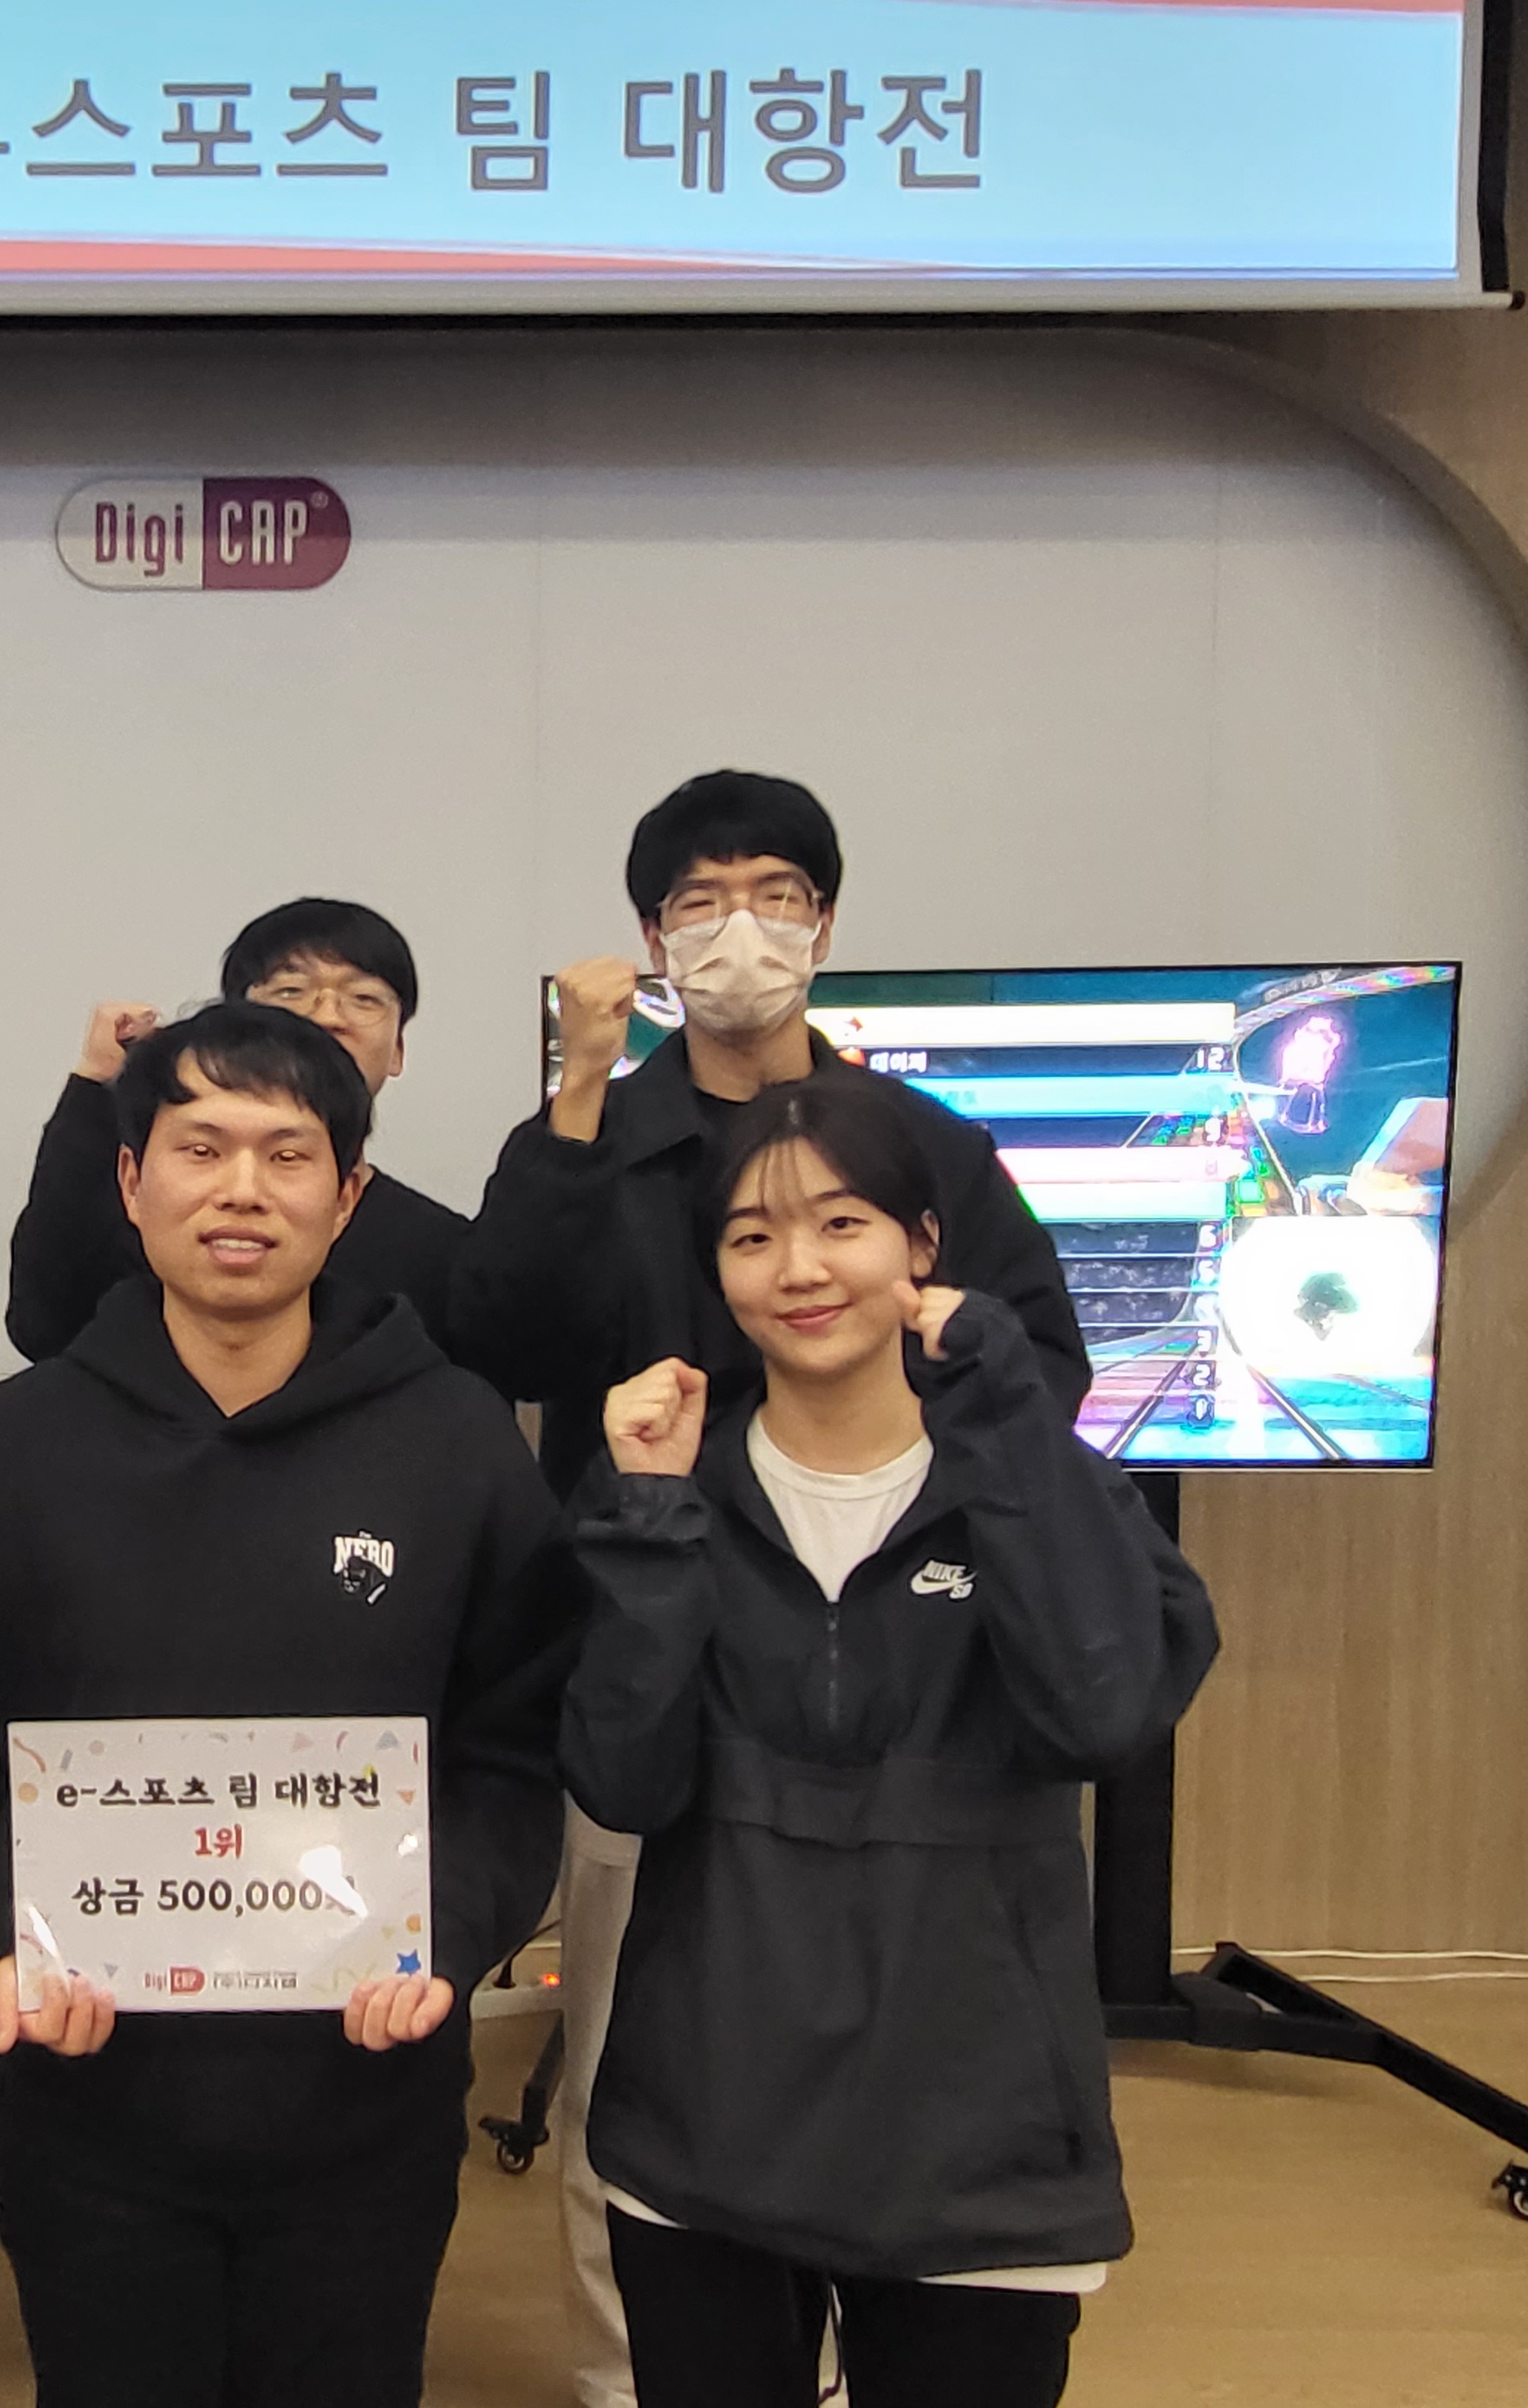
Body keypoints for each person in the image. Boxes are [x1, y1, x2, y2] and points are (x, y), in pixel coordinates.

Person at [441, 767, 1091, 2408]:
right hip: (653, 1659)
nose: (743, 929)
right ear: (653, 935)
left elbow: (1041, 1370)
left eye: (779, 895)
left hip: (907, 1664)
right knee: (633, 2049)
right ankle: (638, 2375)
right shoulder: (598, 1134)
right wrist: (577, 1088)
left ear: (826, 923)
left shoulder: (920, 1142)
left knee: (909, 2035)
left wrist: (872, 1426)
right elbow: (499, 1337)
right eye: (703, 900)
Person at [0, 1000, 583, 2408]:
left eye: (288, 1154)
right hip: (90, 2099)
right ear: (130, 1180)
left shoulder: (455, 1443)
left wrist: (448, 1933)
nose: (242, 1190)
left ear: (350, 1196)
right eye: (199, 1149)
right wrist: (0, 1935)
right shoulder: (14, 1450)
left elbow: (514, 1742)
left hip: (366, 2094)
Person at [563, 1077, 1217, 2407]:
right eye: (751, 1237)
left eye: (840, 1223)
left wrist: (1008, 1426)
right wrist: (650, 1523)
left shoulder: (1042, 1478)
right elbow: (624, 1781)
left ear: (923, 1243)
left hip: (976, 2140)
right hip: (706, 2124)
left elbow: (1098, 1716)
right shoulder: (673, 1486)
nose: (798, 1269)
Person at [3, 898, 466, 1359]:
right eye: (291, 990)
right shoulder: (164, 1210)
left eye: (364, 998)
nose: (327, 1017)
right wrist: (94, 1084)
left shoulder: (442, 1249)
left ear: (398, 1048)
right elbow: (46, 1326)